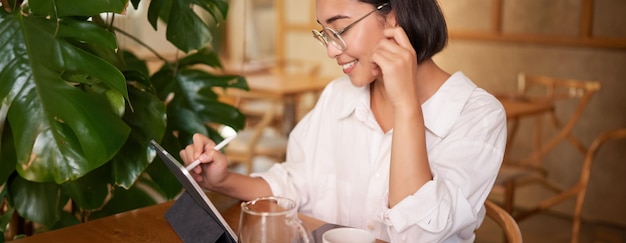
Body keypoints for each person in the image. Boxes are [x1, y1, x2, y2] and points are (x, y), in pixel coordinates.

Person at [179, 0, 507, 241]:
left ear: (393, 17)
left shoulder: (478, 116)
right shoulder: (339, 96)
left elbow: (419, 233)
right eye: (324, 34)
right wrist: (222, 181)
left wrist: (405, 103)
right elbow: (296, 182)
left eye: (340, 28)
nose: (331, 51)